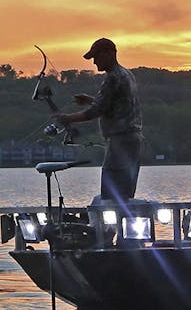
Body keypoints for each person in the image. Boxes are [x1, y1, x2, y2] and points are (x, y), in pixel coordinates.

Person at [55, 38, 143, 206]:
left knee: (111, 197)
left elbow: (96, 111)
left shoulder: (113, 77)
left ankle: (108, 232)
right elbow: (115, 105)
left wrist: (67, 118)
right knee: (124, 195)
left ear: (109, 54)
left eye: (97, 57)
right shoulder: (127, 74)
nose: (94, 62)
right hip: (132, 141)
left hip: (121, 142)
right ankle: (119, 230)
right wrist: (91, 100)